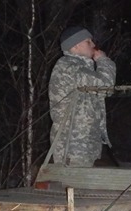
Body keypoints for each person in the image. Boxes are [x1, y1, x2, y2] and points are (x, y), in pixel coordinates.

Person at [48, 26, 116, 166]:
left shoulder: (81, 68)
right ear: (76, 46)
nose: (93, 45)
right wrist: (104, 61)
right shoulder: (68, 67)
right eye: (88, 41)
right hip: (72, 144)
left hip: (83, 142)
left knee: (81, 185)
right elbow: (105, 86)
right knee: (73, 184)